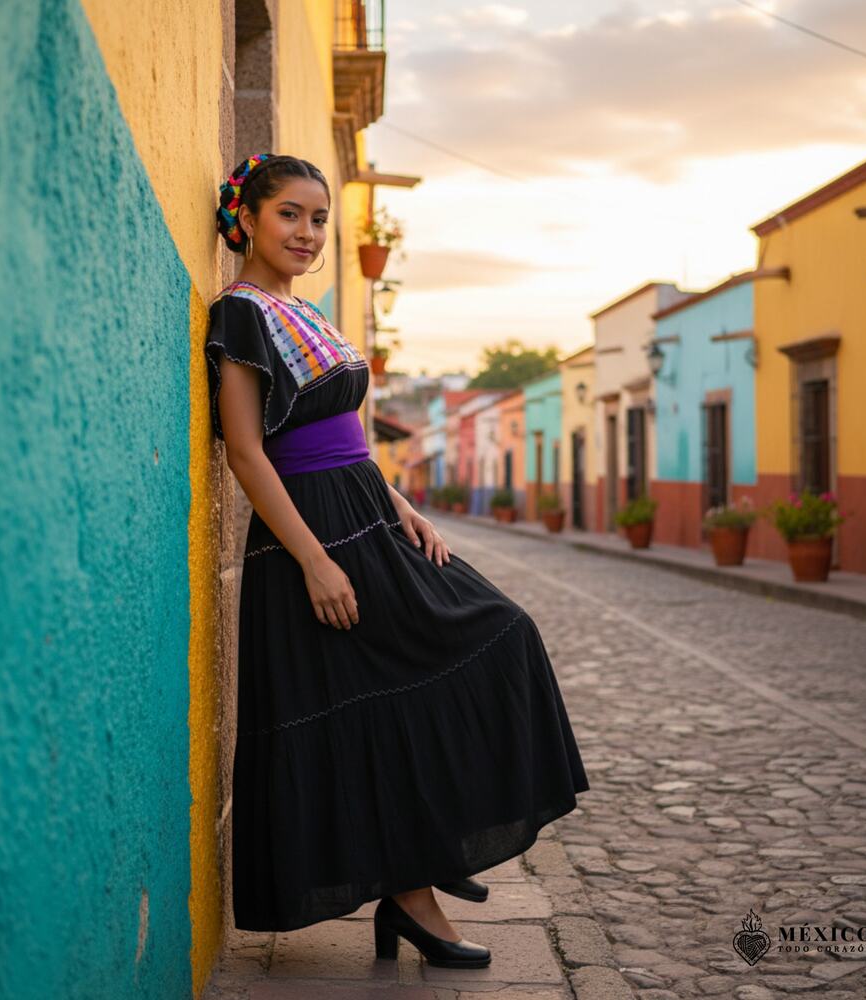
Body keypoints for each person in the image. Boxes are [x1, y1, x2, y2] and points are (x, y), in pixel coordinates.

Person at [205, 152, 590, 968]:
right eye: (290, 215)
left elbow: (350, 440)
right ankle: (412, 897)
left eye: (319, 219)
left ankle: (421, 868)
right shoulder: (239, 314)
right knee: (366, 702)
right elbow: (245, 450)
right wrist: (312, 560)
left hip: (366, 515)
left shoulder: (299, 310)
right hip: (311, 531)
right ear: (246, 217)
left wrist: (402, 505)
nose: (308, 233)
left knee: (495, 635)